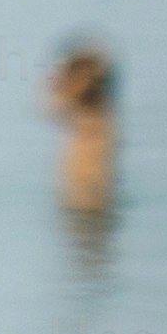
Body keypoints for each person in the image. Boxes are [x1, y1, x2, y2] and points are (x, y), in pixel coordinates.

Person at [47, 38, 118, 214]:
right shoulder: (90, 117)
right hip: (87, 199)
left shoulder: (93, 121)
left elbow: (50, 102)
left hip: (88, 200)